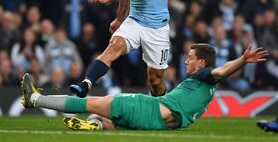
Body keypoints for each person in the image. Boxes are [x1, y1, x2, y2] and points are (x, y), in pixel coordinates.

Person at [21, 44, 268, 130]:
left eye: (190, 58)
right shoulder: (204, 87)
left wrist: (242, 60)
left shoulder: (205, 74)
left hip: (151, 109)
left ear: (201, 62)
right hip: (160, 123)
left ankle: (35, 100)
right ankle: (94, 126)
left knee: (90, 103)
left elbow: (222, 70)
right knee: (100, 116)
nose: (186, 61)